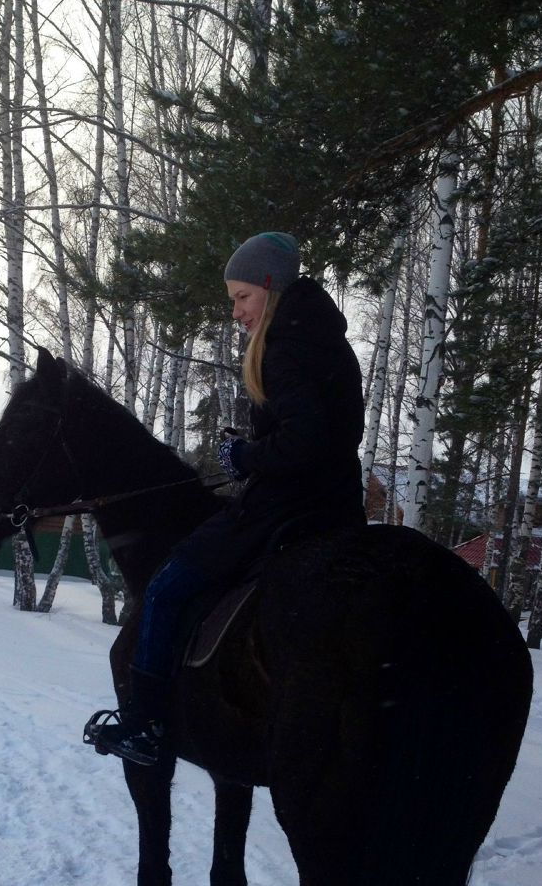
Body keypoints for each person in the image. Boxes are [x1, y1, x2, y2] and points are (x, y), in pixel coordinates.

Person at [85, 231, 366, 766]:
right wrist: (257, 445)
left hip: (284, 507)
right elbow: (326, 437)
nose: (236, 311)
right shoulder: (326, 340)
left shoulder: (285, 348)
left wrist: (244, 459)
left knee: (167, 587)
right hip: (337, 505)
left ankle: (143, 723)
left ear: (270, 286)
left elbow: (304, 441)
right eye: (232, 300)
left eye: (242, 297)